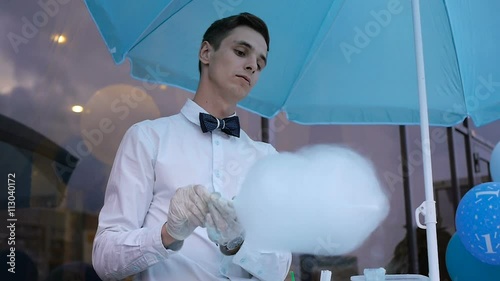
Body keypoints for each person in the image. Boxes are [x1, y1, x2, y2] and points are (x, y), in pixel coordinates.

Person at [92, 12, 292, 281]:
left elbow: (279, 269)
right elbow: (105, 259)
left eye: (260, 62)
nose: (252, 66)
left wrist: (238, 244)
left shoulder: (266, 158)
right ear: (206, 52)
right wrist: (168, 234)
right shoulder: (147, 138)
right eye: (241, 51)